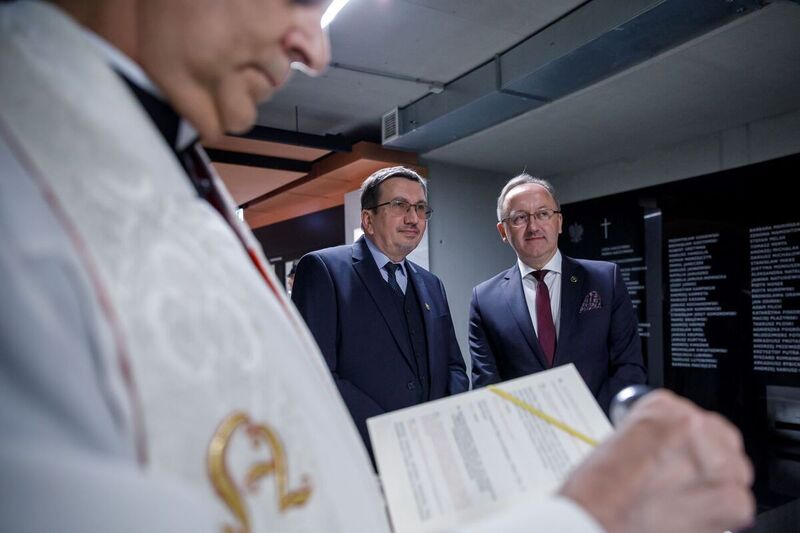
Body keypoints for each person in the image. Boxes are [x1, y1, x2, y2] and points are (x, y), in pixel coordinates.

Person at [0, 1, 753, 532]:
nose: (314, 48)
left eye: (422, 212)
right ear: (369, 218)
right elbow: (327, 384)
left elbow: (448, 377)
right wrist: (585, 514)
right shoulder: (30, 195)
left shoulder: (179, 179)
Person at [291, 166, 469, 455]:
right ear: (368, 219)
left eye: (421, 208)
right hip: (361, 453)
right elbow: (315, 373)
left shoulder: (432, 284)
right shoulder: (324, 270)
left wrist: (448, 421)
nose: (413, 218)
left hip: (435, 449)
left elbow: (453, 366)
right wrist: (392, 436)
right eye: (399, 205)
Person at [470, 174, 647, 410]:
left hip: (599, 433)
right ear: (503, 231)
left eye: (543, 214)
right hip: (528, 438)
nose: (533, 226)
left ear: (559, 222)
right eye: (520, 218)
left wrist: (592, 422)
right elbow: (487, 386)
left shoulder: (605, 280)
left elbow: (629, 367)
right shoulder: (485, 300)